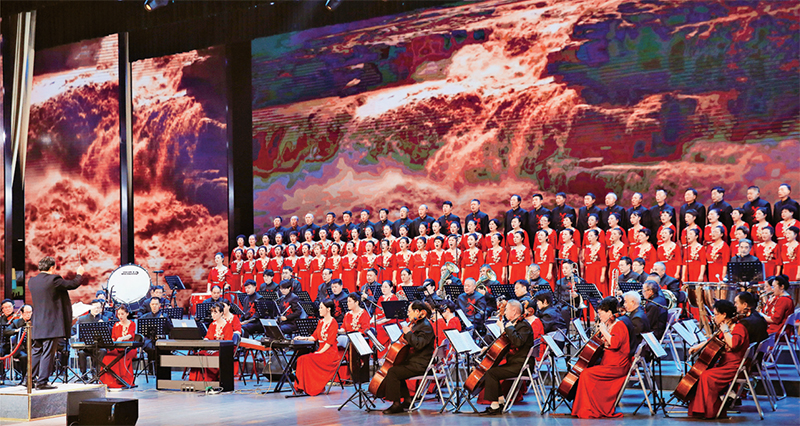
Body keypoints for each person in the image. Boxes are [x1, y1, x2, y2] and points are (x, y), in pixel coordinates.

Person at [686, 300, 749, 419]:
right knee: (701, 373)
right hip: (725, 363)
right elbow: (714, 340)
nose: (714, 317)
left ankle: (710, 411)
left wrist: (725, 330)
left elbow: (733, 344)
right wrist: (697, 347)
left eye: (716, 314)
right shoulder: (726, 327)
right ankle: (700, 409)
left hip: (734, 366)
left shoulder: (738, 328)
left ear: (724, 315)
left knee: (706, 376)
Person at [571, 297, 633, 419]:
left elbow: (615, 343)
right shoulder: (611, 325)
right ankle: (587, 407)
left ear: (609, 313)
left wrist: (603, 331)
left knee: (586, 374)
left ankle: (589, 408)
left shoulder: (619, 325)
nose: (599, 316)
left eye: (600, 313)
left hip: (617, 366)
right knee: (585, 372)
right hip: (609, 363)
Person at [29, 256, 84, 390]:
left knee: (36, 351)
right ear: (52, 267)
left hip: (37, 323)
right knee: (48, 352)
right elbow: (72, 284)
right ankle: (42, 382)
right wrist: (79, 274)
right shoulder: (54, 280)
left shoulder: (32, 281)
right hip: (50, 324)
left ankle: (29, 379)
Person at [378, 301, 436, 414]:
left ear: (417, 312)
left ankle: (396, 404)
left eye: (409, 311)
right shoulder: (418, 324)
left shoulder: (425, 326)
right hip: (415, 361)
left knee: (393, 372)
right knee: (397, 369)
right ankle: (408, 400)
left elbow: (418, 344)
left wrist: (408, 333)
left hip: (421, 364)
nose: (407, 314)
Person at [480, 300, 534, 416]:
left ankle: (495, 406)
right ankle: (500, 401)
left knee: (491, 373)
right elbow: (506, 343)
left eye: (506, 310)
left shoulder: (524, 326)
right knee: (492, 370)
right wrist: (488, 348)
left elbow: (518, 342)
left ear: (514, 311)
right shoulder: (516, 325)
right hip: (516, 362)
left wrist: (507, 328)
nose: (504, 312)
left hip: (522, 365)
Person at [293, 300, 340, 396]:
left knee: (306, 359)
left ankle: (311, 387)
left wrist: (320, 352)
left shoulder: (333, 323)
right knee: (301, 359)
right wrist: (302, 337)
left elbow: (329, 342)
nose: (319, 310)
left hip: (330, 354)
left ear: (328, 309)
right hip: (321, 351)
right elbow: (314, 337)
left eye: (321, 308)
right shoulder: (320, 322)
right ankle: (300, 386)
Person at [99, 305, 137, 389]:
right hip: (118, 348)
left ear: (127, 314)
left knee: (120, 358)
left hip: (129, 349)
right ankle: (109, 381)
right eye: (119, 314)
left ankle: (122, 381)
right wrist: (111, 340)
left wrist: (122, 338)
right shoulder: (116, 325)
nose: (120, 316)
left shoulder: (132, 324)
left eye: (122, 314)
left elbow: (131, 335)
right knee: (108, 357)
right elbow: (113, 337)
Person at [74, 300, 109, 379]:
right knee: (81, 353)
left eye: (98, 307)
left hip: (99, 346)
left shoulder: (104, 319)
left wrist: (103, 325)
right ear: (90, 308)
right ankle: (84, 374)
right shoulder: (82, 319)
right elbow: (74, 329)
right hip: (86, 346)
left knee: (102, 351)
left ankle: (97, 373)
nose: (96, 309)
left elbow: (109, 332)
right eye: (94, 307)